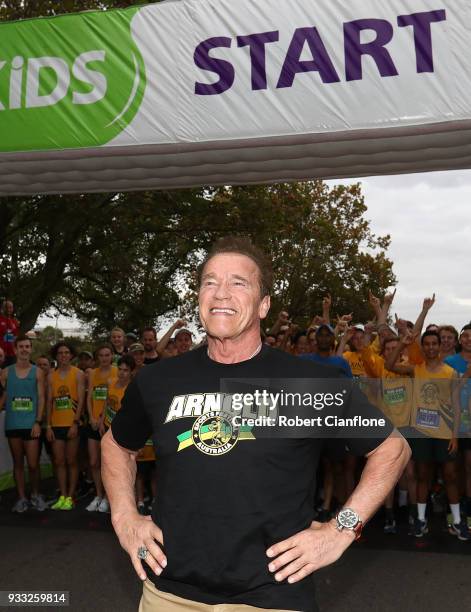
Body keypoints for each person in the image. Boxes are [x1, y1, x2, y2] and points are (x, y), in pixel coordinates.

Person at [102, 236, 410, 612]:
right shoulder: (157, 380)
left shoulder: (308, 383)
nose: (221, 293)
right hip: (168, 592)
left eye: (238, 283)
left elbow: (391, 448)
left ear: (264, 305)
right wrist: (124, 517)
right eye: (210, 282)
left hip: (272, 597)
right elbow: (117, 445)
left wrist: (342, 529)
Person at [385, 330, 469, 540]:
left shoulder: (450, 373)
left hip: (444, 434)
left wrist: (454, 436)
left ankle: (458, 522)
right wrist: (402, 344)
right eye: (427, 344)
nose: (431, 347)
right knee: (423, 476)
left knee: (450, 476)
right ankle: (421, 520)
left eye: (434, 344)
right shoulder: (416, 370)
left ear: (440, 347)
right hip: (421, 433)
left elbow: (456, 406)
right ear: (423, 347)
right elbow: (389, 366)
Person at [0, 335, 47, 512]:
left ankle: (35, 494)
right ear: (15, 349)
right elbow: (4, 396)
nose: (25, 349)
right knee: (18, 463)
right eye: (21, 346)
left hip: (31, 424)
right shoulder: (5, 373)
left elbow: (41, 398)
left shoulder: (38, 372)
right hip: (13, 424)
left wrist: (37, 421)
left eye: (28, 346)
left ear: (31, 349)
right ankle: (21, 498)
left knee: (33, 465)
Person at [46, 342, 85, 510]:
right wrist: (47, 425)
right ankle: (62, 495)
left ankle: (70, 495)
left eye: (66, 352)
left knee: (71, 461)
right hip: (56, 424)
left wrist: (75, 423)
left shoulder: (78, 374)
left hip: (72, 424)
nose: (63, 355)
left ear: (71, 355)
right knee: (59, 461)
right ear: (56, 356)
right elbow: (49, 402)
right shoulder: (50, 376)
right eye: (60, 353)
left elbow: (82, 401)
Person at [444, 324, 471, 527]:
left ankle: (467, 508)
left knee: (469, 467)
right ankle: (454, 506)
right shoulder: (449, 361)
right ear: (460, 340)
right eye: (466, 336)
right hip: (451, 423)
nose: (469, 339)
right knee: (452, 470)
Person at [86, 344, 117, 512]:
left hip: (108, 423)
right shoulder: (93, 373)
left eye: (107, 355)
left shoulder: (116, 372)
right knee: (93, 462)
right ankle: (98, 495)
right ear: (97, 357)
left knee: (108, 464)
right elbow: (90, 395)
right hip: (93, 423)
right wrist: (91, 417)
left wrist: (102, 419)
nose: (104, 358)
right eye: (101, 355)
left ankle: (107, 497)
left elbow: (110, 399)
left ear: (112, 356)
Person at [0, 300, 20, 367]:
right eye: (7, 307)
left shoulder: (15, 322)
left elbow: (16, 338)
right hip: (1, 354)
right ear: (2, 308)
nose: (9, 309)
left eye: (11, 307)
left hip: (12, 355)